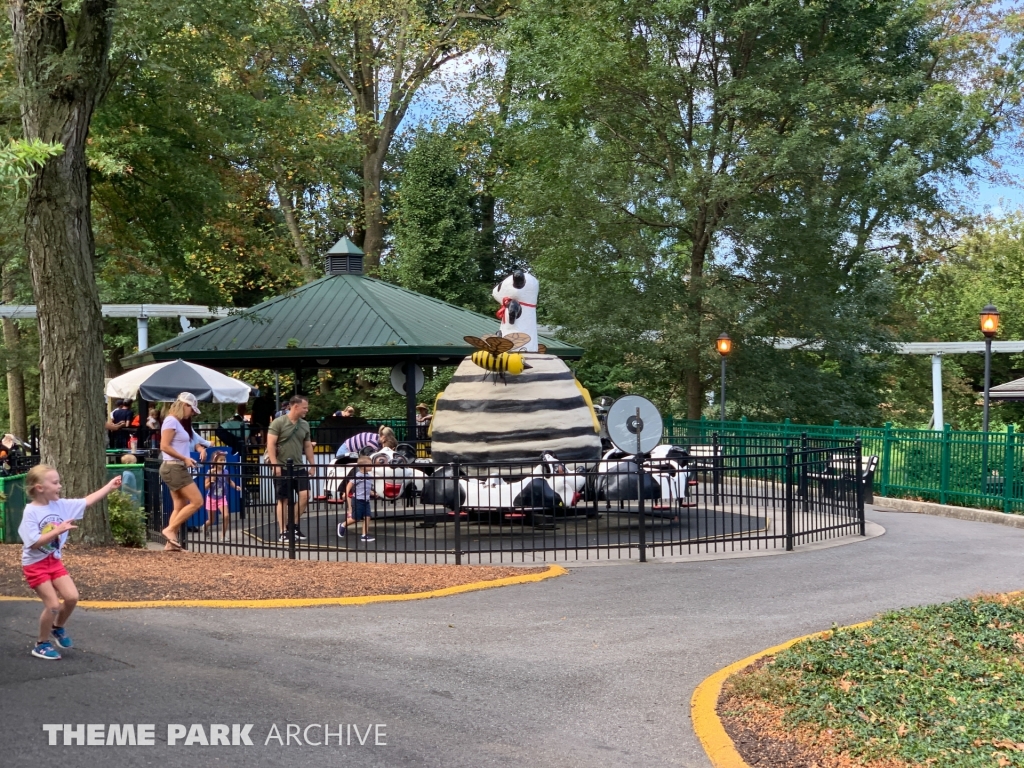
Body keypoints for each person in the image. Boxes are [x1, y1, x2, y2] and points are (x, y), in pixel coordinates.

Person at [18, 465, 123, 659]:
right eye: (55, 482)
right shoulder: (30, 512)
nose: (60, 486)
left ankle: (57, 627)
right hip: (35, 564)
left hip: (53, 561)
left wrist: (108, 487)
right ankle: (41, 644)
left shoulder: (62, 505)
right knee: (53, 605)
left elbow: (87, 501)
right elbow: (32, 543)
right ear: (40, 487)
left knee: (72, 597)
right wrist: (57, 531)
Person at [158, 392, 212, 551]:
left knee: (180, 505)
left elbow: (195, 440)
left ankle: (170, 543)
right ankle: (169, 530)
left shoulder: (179, 422)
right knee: (198, 501)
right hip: (174, 467)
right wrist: (185, 458)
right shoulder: (171, 421)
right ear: (184, 405)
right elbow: (164, 446)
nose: (193, 413)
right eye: (192, 409)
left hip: (176, 466)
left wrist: (200, 447)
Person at [266, 395, 315, 543]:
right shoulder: (278, 423)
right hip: (282, 465)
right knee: (283, 499)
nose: (306, 410)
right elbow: (271, 444)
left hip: (298, 465)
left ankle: (292, 524)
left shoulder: (304, 425)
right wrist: (275, 465)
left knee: (305, 496)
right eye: (304, 407)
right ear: (295, 406)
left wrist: (312, 464)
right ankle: (283, 531)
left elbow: (307, 445)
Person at [339, 456, 376, 542]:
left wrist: (373, 493)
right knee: (356, 518)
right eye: (370, 465)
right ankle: (342, 525)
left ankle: (364, 535)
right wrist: (346, 493)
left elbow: (366, 488)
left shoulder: (368, 476)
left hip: (366, 500)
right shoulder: (358, 475)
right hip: (358, 500)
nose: (372, 466)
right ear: (364, 466)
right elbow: (350, 484)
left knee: (368, 517)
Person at [203, 452, 240, 539]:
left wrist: (236, 486)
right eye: (221, 460)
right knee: (212, 520)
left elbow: (229, 481)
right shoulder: (210, 472)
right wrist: (211, 480)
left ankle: (222, 536)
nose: (223, 462)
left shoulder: (225, 471)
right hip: (211, 498)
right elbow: (205, 487)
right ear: (215, 461)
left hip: (221, 498)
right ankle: (205, 526)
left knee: (226, 516)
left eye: (224, 460)